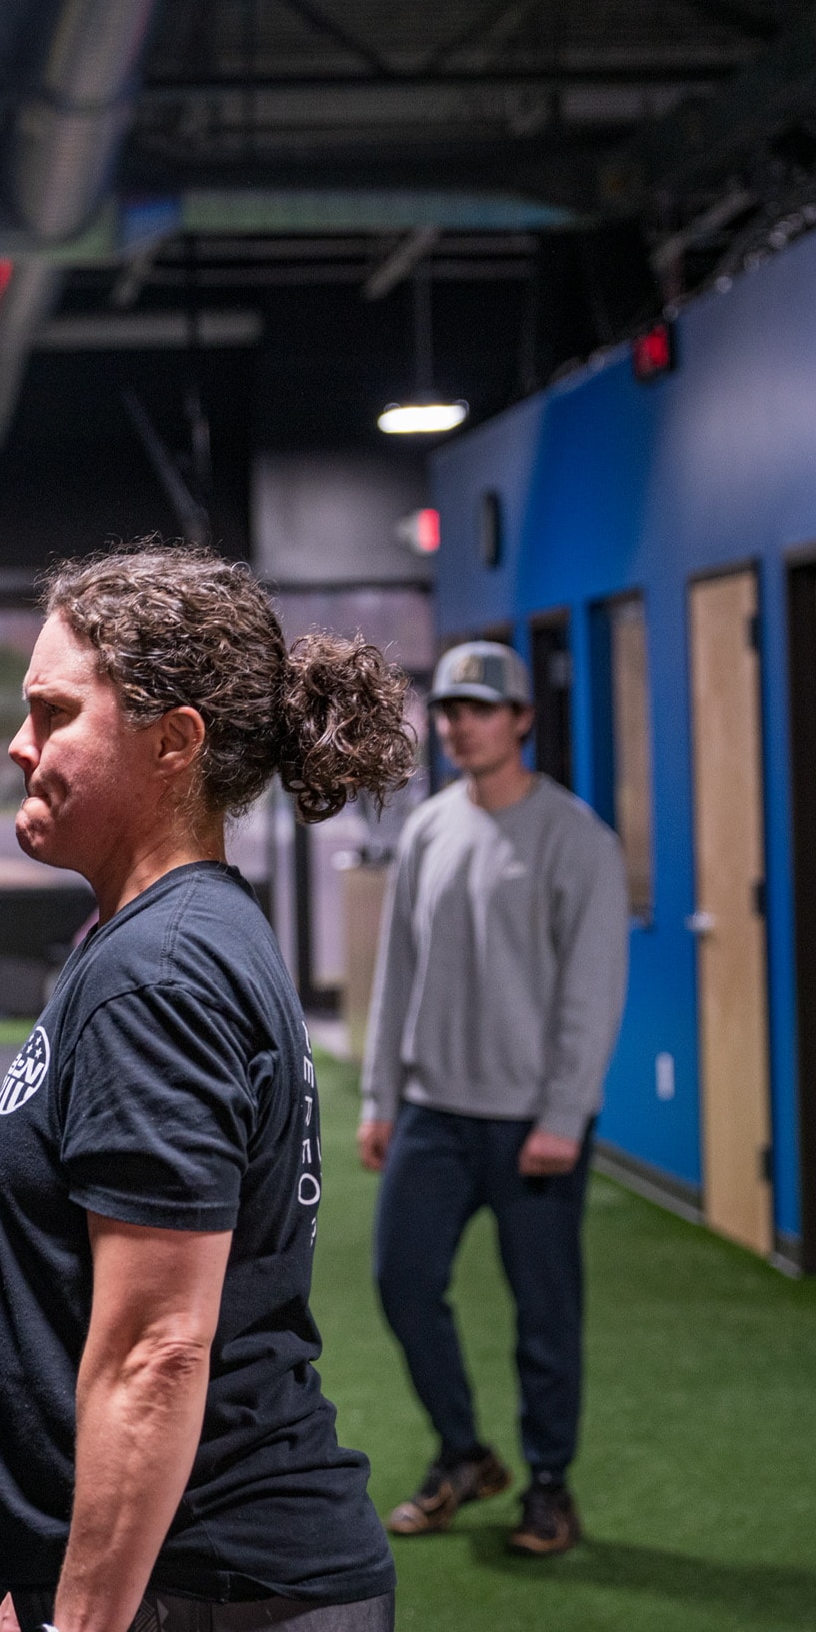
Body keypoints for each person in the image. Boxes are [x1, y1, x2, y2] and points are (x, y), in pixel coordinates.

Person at [0, 547, 412, 1632]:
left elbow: (158, 1350)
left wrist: (80, 1621)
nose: (19, 744)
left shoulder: (160, 976)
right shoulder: (177, 935)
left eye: (54, 711)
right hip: (181, 1581)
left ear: (173, 743)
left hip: (215, 1592)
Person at [359, 641, 627, 1558]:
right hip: (434, 1109)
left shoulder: (576, 839)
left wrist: (563, 1116)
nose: (458, 724)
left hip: (531, 1125)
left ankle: (548, 1485)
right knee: (401, 1280)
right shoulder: (428, 828)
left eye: (478, 708)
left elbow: (590, 993)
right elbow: (396, 972)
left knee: (544, 1311)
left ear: (520, 720)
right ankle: (463, 1454)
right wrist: (378, 1097)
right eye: (447, 709)